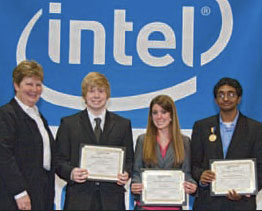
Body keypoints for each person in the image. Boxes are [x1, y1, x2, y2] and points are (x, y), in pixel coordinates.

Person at [55, 72, 134, 210]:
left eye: (101, 91)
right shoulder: (68, 124)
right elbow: (58, 160)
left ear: (107, 95)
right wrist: (71, 173)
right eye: (91, 91)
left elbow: (130, 161)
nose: (96, 96)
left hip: (112, 200)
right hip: (79, 200)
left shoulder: (123, 125)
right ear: (84, 96)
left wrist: (126, 173)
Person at [191, 77, 262, 210]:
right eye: (221, 94)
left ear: (239, 99)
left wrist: (246, 191)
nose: (225, 98)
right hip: (207, 204)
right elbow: (194, 164)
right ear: (215, 100)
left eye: (231, 94)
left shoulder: (256, 129)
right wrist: (201, 176)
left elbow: (260, 167)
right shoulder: (202, 126)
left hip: (241, 205)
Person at [0, 60, 55, 210]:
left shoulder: (38, 116)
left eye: (38, 85)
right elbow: (4, 156)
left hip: (40, 192)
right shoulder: (6, 115)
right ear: (16, 85)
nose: (34, 89)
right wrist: (19, 192)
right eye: (29, 84)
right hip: (17, 197)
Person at [131, 95, 197, 210]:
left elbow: (186, 173)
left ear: (171, 115)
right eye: (155, 113)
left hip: (173, 207)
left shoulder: (184, 142)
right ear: (151, 117)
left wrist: (192, 186)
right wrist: (135, 185)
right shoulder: (142, 140)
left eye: (164, 112)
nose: (159, 116)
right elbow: (136, 173)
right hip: (146, 207)